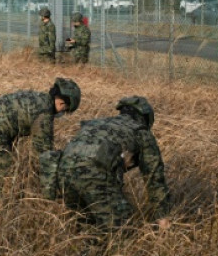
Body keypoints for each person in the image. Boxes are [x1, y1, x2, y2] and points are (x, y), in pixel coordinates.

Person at [50, 96, 171, 231]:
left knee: (86, 228)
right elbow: (154, 178)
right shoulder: (141, 132)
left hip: (62, 177)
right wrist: (162, 217)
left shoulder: (97, 123)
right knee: (122, 230)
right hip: (93, 177)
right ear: (145, 117)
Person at [0, 77, 81, 198]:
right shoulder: (44, 113)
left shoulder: (36, 98)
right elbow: (44, 154)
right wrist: (49, 194)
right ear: (62, 102)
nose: (62, 113)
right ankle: (1, 211)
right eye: (65, 110)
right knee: (6, 181)